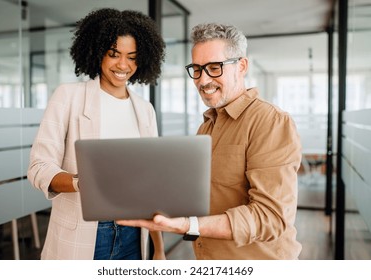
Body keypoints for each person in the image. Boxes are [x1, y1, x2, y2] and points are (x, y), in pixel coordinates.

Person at [117, 23, 303, 259]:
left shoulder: (270, 122)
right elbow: (207, 194)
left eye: (214, 68)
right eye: (196, 69)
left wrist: (187, 225)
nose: (203, 80)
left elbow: (271, 218)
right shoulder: (207, 126)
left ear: (241, 66)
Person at [27, 8, 166, 260]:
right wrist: (82, 182)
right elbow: (39, 168)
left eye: (132, 57)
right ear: (98, 51)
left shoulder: (145, 110)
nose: (123, 65)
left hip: (134, 233)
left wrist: (158, 248)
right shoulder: (68, 96)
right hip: (85, 234)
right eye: (114, 54)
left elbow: (151, 184)